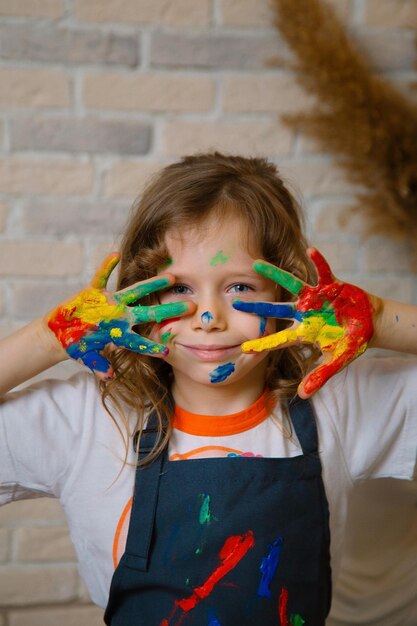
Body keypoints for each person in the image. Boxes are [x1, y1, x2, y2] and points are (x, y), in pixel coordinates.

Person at [0, 152, 416, 626]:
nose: (208, 317)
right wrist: (47, 338)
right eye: (180, 290)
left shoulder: (339, 407)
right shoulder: (88, 418)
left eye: (240, 287)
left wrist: (379, 319)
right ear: (138, 297)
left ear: (288, 295)